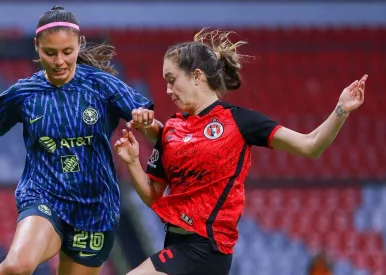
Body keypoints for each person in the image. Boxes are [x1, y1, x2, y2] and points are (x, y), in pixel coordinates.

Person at [0, 6, 162, 275]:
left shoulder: (102, 85)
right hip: (44, 196)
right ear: (37, 47)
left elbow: (155, 131)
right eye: (50, 53)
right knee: (17, 266)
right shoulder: (24, 93)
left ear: (79, 45)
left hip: (95, 206)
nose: (59, 61)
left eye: (68, 52)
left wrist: (147, 125)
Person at [114, 29, 368, 275]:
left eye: (172, 80)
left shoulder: (240, 121)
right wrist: (133, 161)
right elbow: (153, 196)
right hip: (175, 244)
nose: (168, 90)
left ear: (197, 76)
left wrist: (341, 110)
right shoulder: (172, 128)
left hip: (206, 249)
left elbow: (310, 145)